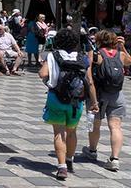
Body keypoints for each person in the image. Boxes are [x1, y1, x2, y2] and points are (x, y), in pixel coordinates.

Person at [40, 27, 98, 180]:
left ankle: (61, 167)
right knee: (72, 131)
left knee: (59, 132)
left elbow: (43, 73)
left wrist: (50, 81)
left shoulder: (53, 55)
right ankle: (69, 160)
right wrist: (94, 101)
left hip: (56, 97)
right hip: (76, 100)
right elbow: (90, 82)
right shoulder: (83, 58)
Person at [83, 29, 130, 172]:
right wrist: (122, 47)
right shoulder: (121, 55)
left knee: (94, 125)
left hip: (98, 95)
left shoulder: (95, 54)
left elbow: (88, 77)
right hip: (117, 95)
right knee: (115, 127)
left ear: (98, 40)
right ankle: (114, 159)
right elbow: (129, 62)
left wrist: (93, 99)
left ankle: (92, 151)